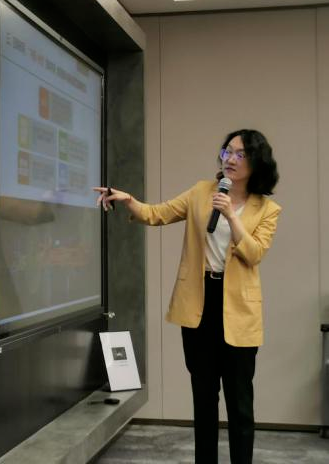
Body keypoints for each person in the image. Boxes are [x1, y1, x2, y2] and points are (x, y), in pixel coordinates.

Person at [94, 129, 280, 464]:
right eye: (227, 151)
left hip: (239, 311)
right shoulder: (201, 192)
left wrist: (231, 215)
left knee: (240, 403)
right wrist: (128, 200)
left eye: (240, 154)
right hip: (199, 304)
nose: (230, 159)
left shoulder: (267, 209)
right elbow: (158, 213)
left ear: (256, 163)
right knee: (204, 398)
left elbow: (254, 254)